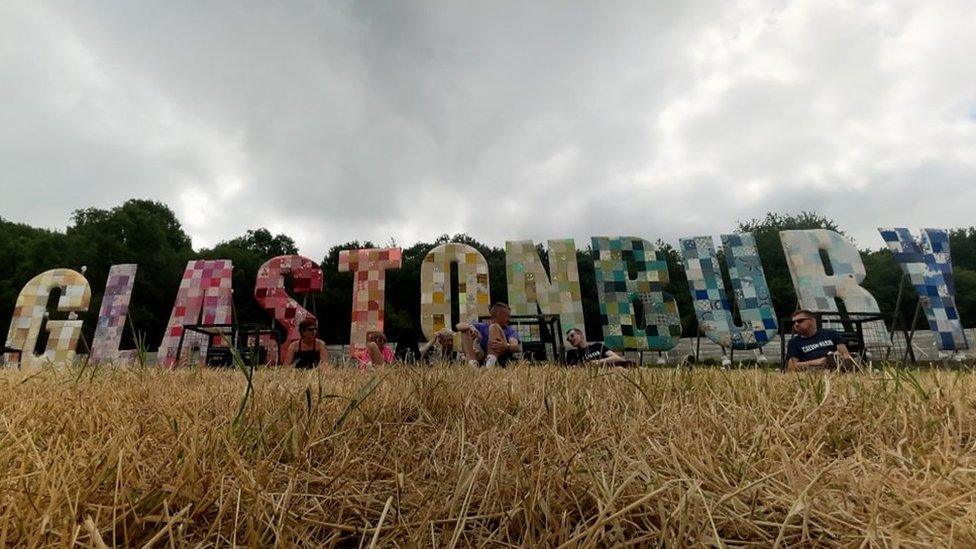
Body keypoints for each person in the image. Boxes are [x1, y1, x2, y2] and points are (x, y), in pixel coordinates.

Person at [456, 302, 521, 368]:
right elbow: (459, 326)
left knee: (494, 327)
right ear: (499, 315)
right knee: (465, 330)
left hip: (499, 360)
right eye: (507, 316)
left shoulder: (509, 329)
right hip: (480, 356)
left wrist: (506, 346)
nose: (509, 319)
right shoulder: (480, 326)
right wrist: (472, 329)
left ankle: (490, 364)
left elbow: (515, 345)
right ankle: (472, 363)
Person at [785, 309, 852, 371]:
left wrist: (837, 356)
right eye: (793, 322)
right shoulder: (794, 342)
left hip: (836, 369)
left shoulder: (831, 333)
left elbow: (845, 355)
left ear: (813, 321)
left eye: (800, 321)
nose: (796, 324)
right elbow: (791, 367)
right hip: (813, 371)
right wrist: (817, 362)